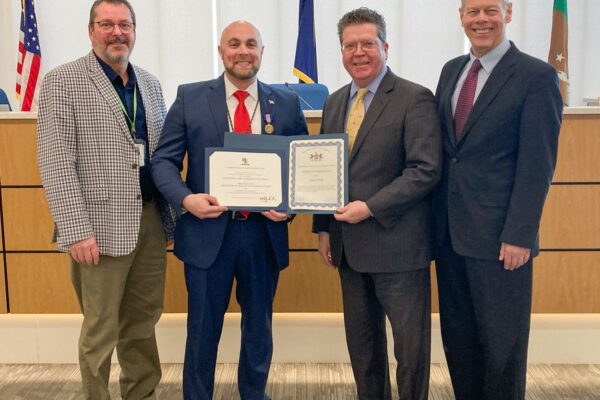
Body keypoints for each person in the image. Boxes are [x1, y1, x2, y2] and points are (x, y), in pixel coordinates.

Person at [151, 20, 308, 400]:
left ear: (262, 52)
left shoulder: (285, 103)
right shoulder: (190, 97)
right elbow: (163, 162)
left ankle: (254, 394)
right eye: (234, 43)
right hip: (207, 235)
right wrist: (186, 199)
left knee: (259, 328)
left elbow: (302, 168)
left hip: (262, 236)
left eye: (251, 44)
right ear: (221, 52)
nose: (243, 51)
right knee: (203, 329)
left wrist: (288, 208)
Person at [36, 0, 175, 399]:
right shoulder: (62, 81)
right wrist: (76, 230)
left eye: (125, 24)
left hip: (148, 221)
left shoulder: (149, 83)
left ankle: (141, 393)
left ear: (135, 30)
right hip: (96, 228)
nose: (117, 32)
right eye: (106, 24)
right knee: (100, 327)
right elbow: (55, 161)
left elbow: (161, 153)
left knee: (144, 320)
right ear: (91, 30)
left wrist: (170, 220)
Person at [433, 1, 563, 399]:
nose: (481, 19)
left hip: (501, 241)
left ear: (508, 13)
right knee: (460, 341)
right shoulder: (452, 71)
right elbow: (448, 154)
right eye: (472, 11)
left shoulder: (537, 76)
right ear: (461, 17)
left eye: (491, 9)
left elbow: (537, 163)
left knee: (502, 348)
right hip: (450, 236)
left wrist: (520, 233)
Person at [313, 8, 442, 400]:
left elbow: (424, 170)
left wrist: (369, 207)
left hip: (398, 248)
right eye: (350, 45)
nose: (359, 52)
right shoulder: (334, 103)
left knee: (410, 351)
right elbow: (323, 172)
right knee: (364, 348)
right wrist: (321, 228)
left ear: (385, 47)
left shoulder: (414, 98)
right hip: (348, 249)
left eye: (368, 43)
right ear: (341, 52)